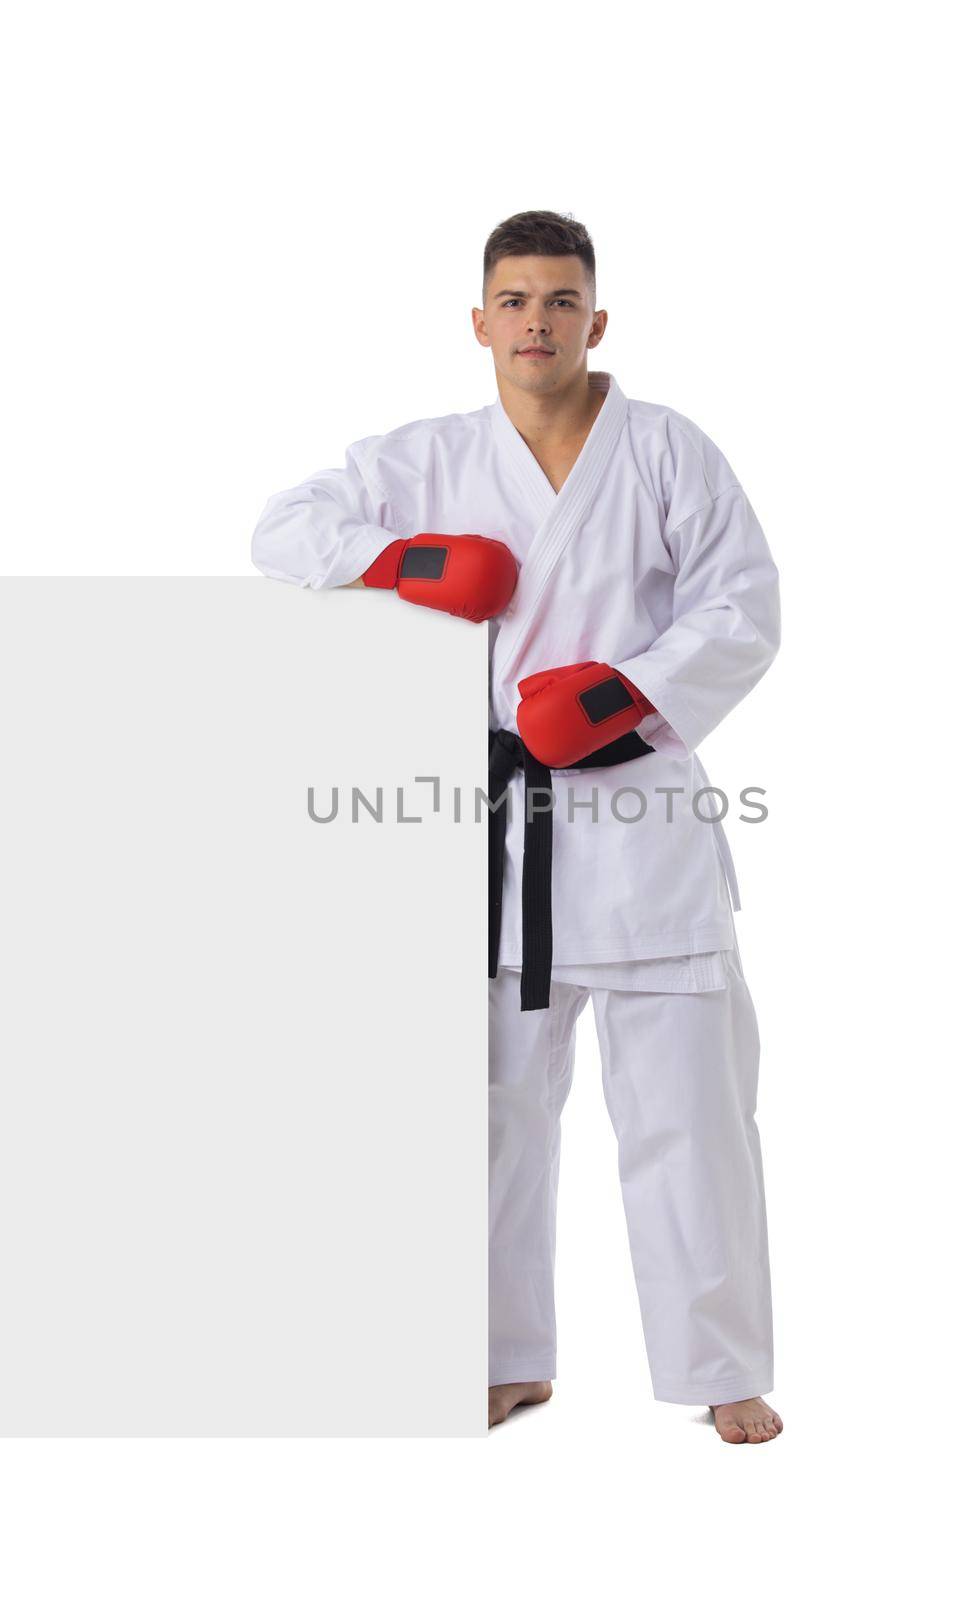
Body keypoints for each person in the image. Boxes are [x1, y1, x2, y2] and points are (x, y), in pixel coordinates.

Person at [251, 209, 783, 1444]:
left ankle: (720, 1368)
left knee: (691, 1122)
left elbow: (743, 603)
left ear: (595, 321)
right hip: (493, 838)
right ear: (477, 320)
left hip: (639, 821)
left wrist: (618, 697)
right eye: (513, 299)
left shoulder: (665, 449)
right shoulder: (428, 457)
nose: (535, 320)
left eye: (559, 300)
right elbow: (283, 528)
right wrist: (405, 559)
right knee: (489, 1121)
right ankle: (504, 1356)